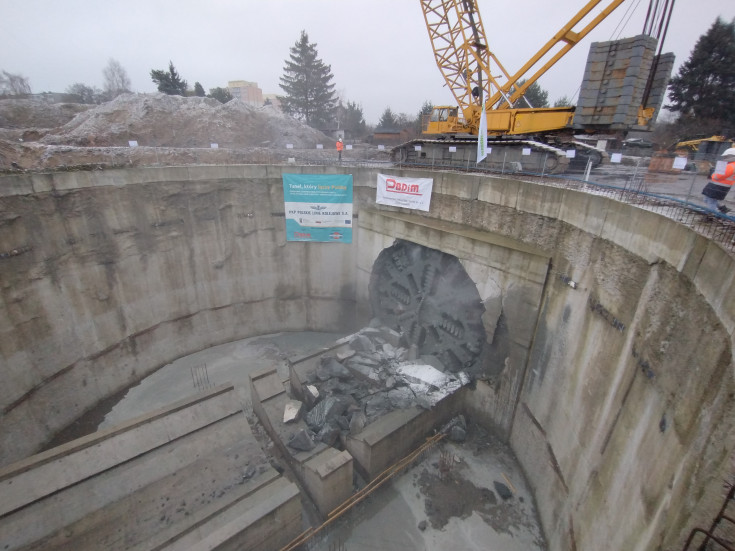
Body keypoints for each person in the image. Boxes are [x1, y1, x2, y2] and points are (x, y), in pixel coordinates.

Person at [702, 148, 735, 213]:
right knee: (707, 199)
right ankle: (722, 208)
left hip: (719, 186)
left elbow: (718, 176)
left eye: (726, 156)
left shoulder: (731, 166)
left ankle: (710, 214)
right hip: (718, 186)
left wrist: (713, 173)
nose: (725, 158)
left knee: (711, 201)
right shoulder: (729, 165)